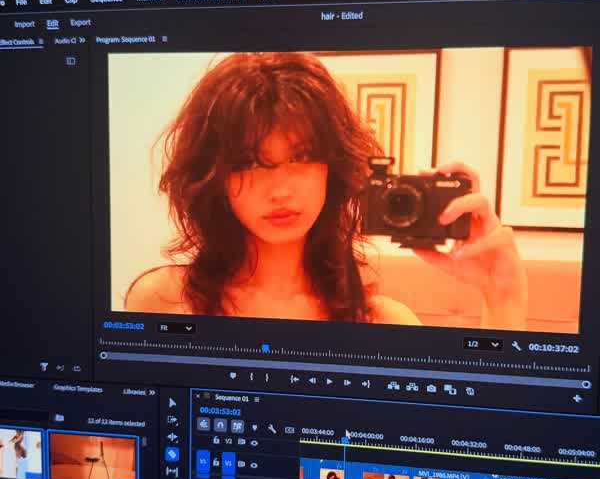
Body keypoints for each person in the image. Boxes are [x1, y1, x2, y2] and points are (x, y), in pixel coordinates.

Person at [125, 51, 527, 329]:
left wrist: (503, 297)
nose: (280, 190)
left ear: (333, 169)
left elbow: (471, 428)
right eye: (250, 162)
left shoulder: (385, 324)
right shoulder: (164, 302)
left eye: (301, 157)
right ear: (214, 178)